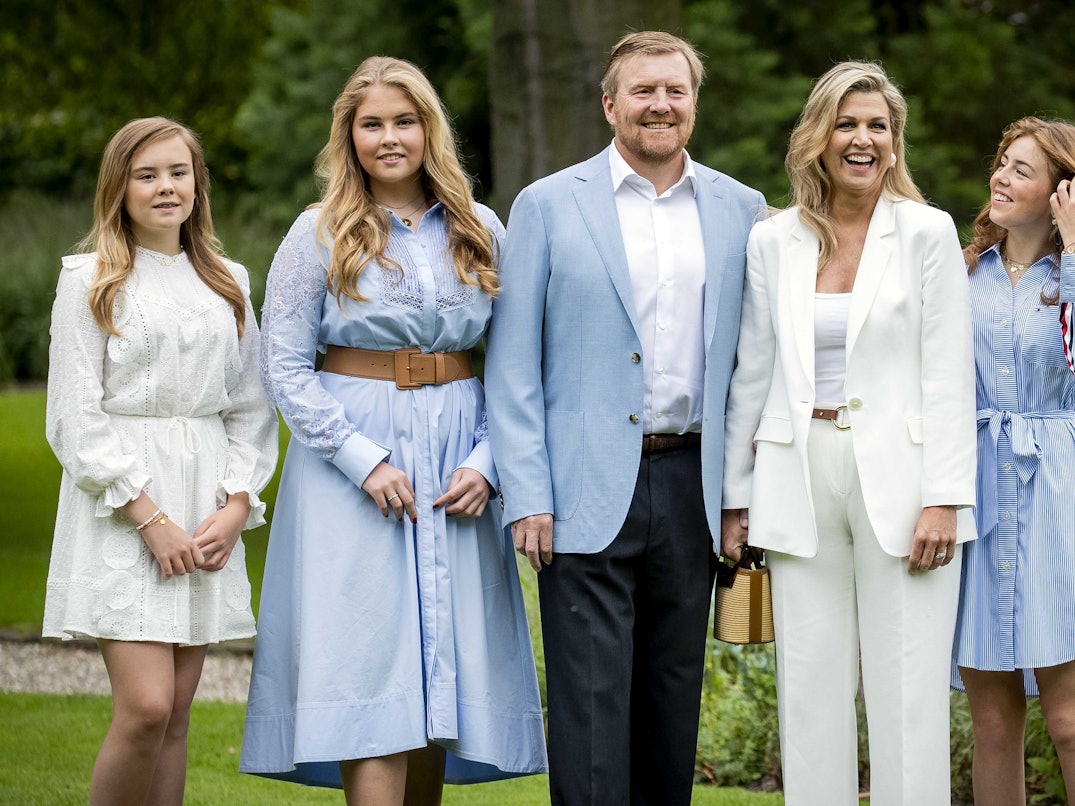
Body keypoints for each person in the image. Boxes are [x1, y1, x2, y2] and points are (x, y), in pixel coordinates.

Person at [238, 56, 547, 803]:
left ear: (428, 129)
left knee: (440, 669)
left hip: (456, 467)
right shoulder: (316, 233)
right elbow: (282, 364)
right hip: (355, 469)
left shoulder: (483, 229)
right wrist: (362, 459)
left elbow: (517, 362)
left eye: (403, 121)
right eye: (370, 123)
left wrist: (488, 462)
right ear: (348, 136)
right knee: (369, 660)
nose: (388, 137)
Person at [485, 31, 766, 805]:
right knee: (588, 705)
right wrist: (529, 492)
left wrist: (740, 496)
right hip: (580, 488)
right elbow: (512, 368)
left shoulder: (742, 211)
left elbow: (754, 367)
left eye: (674, 90)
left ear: (694, 104)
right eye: (642, 90)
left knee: (671, 706)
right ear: (609, 104)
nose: (660, 105)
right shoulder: (546, 205)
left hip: (692, 485)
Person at [720, 62, 977, 804]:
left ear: (894, 144)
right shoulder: (773, 239)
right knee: (807, 688)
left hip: (905, 485)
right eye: (845, 123)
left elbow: (947, 374)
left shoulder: (926, 233)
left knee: (908, 692)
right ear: (818, 138)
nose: (860, 139)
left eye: (876, 126)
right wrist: (737, 497)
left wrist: (944, 499)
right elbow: (752, 374)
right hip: (796, 474)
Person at [42, 116, 279, 806]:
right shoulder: (89, 279)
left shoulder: (228, 280)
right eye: (146, 175)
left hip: (206, 499)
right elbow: (73, 416)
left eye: (178, 172)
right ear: (120, 188)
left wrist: (236, 504)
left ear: (198, 184)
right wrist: (147, 515)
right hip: (126, 504)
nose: (165, 186)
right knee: (144, 708)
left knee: (176, 715)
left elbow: (250, 406)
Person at [952, 116, 1075, 803]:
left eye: (1021, 169)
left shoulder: (1070, 271)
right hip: (976, 489)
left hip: (1060, 492)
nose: (999, 176)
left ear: (1062, 192)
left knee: (1068, 719)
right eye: (1000, 162)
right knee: (993, 721)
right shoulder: (961, 271)